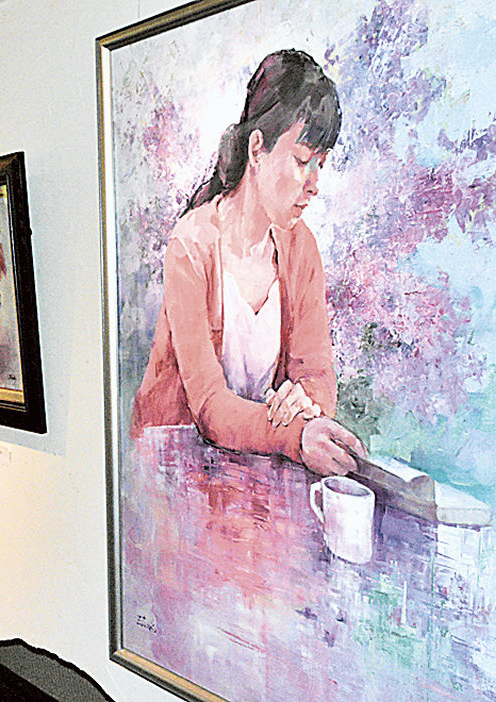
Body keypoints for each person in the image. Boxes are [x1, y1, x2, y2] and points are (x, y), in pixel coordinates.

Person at [130, 49, 366, 476]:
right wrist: (294, 432)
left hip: (250, 466)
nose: (314, 183)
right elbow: (208, 405)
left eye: (321, 164)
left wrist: (307, 401)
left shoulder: (301, 249)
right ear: (257, 149)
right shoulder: (191, 246)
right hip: (172, 467)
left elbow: (317, 375)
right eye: (302, 161)